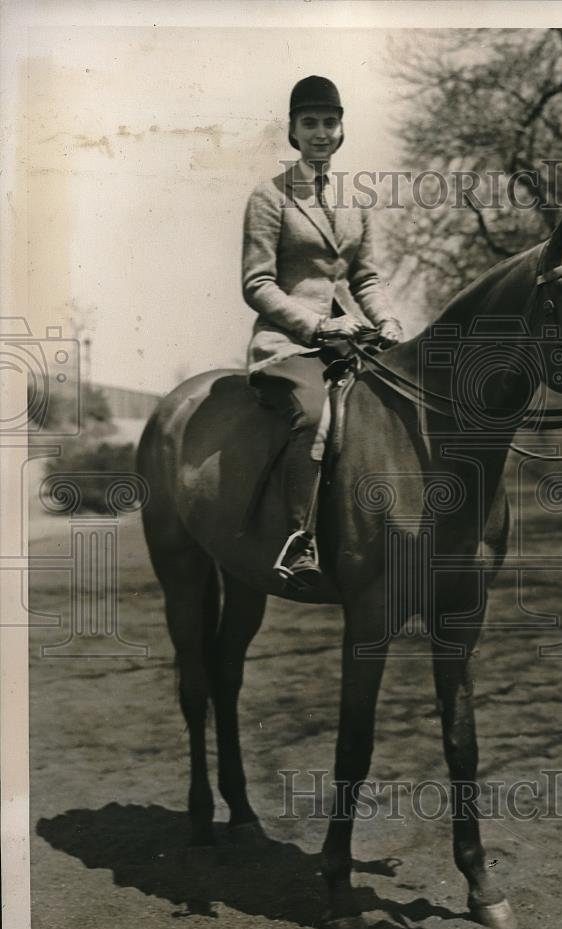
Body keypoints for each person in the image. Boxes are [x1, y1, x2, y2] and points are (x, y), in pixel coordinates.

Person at [243, 75, 403, 588]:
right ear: (292, 131)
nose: (320, 132)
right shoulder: (269, 198)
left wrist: (388, 320)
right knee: (316, 415)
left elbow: (366, 277)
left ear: (341, 131)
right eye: (308, 123)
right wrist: (317, 323)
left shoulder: (356, 201)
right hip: (287, 344)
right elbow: (258, 283)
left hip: (352, 341)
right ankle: (299, 540)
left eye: (329, 122)